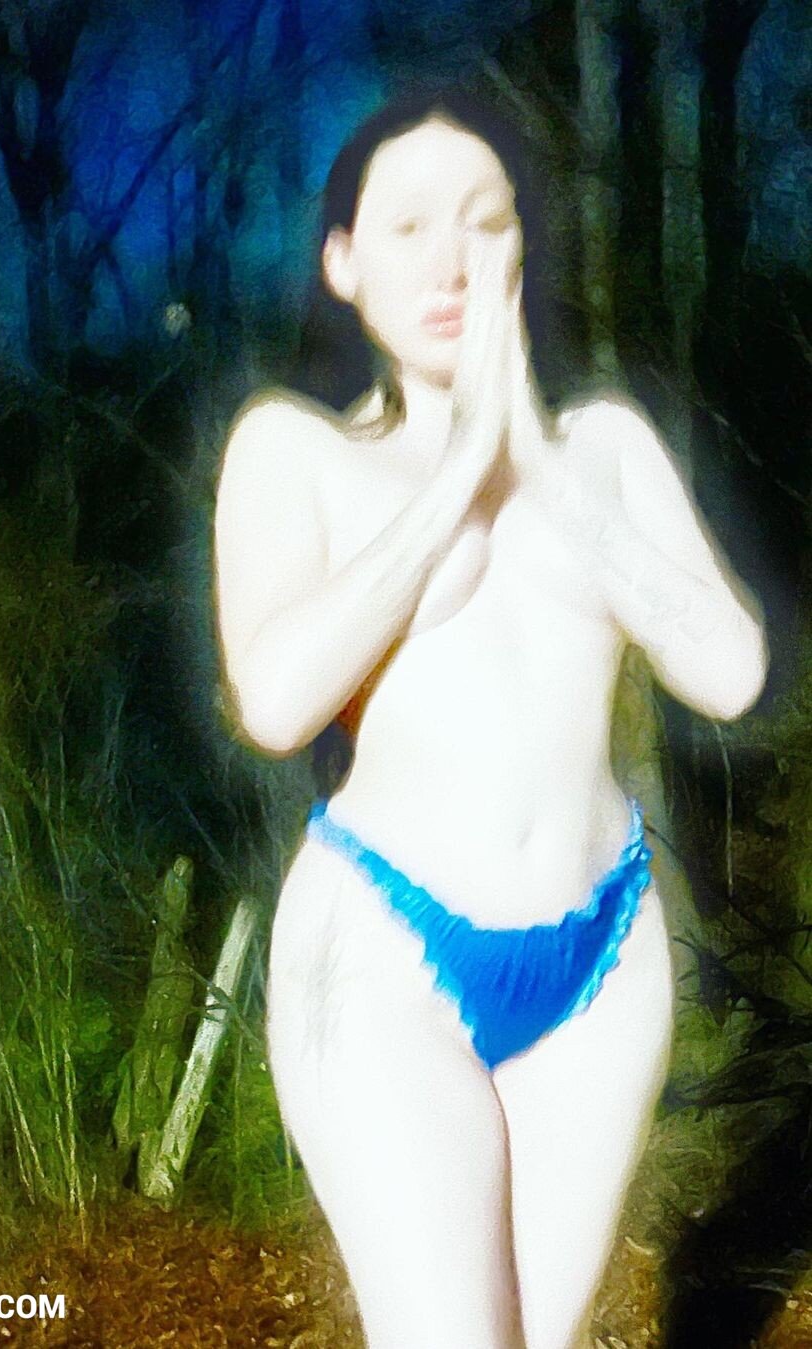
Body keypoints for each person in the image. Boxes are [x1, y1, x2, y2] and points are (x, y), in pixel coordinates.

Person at [212, 89, 768, 1349]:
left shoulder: (605, 448)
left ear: (523, 244)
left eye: (485, 219)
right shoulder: (295, 452)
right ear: (343, 262)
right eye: (408, 227)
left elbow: (731, 672)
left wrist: (537, 467)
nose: (452, 258)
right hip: (385, 949)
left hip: (604, 957)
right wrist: (457, 473)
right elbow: (275, 701)